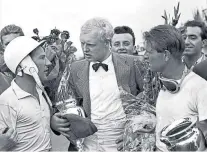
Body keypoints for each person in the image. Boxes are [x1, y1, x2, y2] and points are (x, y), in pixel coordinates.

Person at [51, 17, 144, 151]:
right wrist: (55, 120)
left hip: (123, 144)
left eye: (90, 44)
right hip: (88, 145)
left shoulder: (133, 63)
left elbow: (150, 99)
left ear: (107, 42)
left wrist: (136, 132)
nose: (84, 49)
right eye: (82, 43)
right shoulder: (74, 68)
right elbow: (63, 101)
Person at [143, 24, 207, 151]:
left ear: (166, 55)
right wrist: (153, 128)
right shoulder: (165, 83)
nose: (145, 56)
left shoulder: (200, 87)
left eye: (149, 52)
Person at [0, 36, 53, 151]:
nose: (48, 63)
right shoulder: (7, 101)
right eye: (42, 58)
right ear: (25, 64)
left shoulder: (41, 92)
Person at [0, 24, 24, 94]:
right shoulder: (2, 69)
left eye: (16, 42)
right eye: (7, 44)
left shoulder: (37, 63)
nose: (12, 46)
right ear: (3, 46)